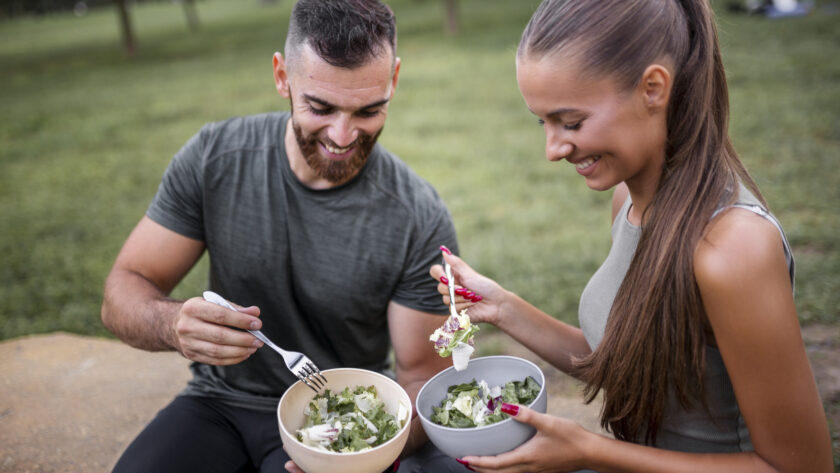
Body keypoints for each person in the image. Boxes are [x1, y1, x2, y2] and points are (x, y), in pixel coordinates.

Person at [430, 0, 833, 472]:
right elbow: (627, 357)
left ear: (653, 89)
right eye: (543, 122)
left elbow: (800, 467)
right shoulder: (628, 201)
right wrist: (503, 308)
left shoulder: (733, 250)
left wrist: (588, 450)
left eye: (572, 122)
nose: (553, 149)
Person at [101, 1, 470, 471]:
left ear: (393, 80)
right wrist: (171, 323)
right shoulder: (214, 159)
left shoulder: (418, 215)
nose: (343, 135)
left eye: (369, 110)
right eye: (320, 107)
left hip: (337, 415)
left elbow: (420, 380)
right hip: (221, 403)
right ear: (282, 77)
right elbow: (123, 290)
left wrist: (363, 453)